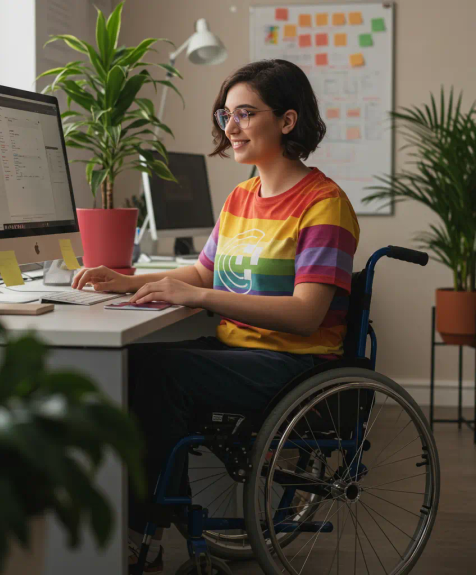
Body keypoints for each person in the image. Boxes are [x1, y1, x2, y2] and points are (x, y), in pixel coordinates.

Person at [72, 59, 360, 574]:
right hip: (240, 353)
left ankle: (146, 530)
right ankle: (155, 517)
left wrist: (199, 300)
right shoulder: (241, 197)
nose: (230, 127)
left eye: (245, 114)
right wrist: (127, 279)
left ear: (287, 121)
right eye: (225, 114)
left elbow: (304, 314)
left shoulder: (323, 205)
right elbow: (206, 273)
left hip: (293, 362)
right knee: (129, 362)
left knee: (156, 374)